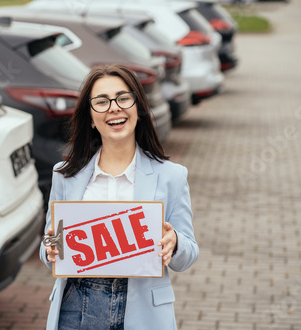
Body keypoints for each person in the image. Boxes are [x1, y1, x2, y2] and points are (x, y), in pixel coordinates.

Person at [40, 64, 198, 330]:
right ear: (90, 117)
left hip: (143, 310)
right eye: (101, 102)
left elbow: (189, 254)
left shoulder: (171, 176)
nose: (114, 108)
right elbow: (51, 246)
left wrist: (175, 242)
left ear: (138, 108)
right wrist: (51, 249)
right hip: (75, 306)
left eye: (123, 98)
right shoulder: (64, 175)